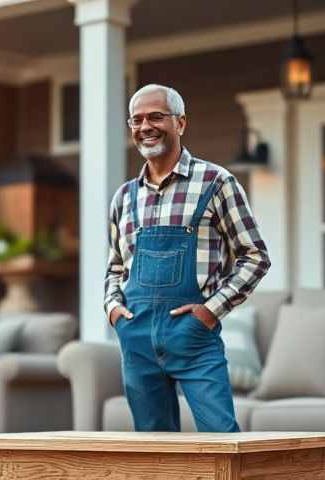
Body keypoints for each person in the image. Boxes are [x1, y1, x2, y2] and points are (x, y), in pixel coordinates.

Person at [105, 84, 271, 432]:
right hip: (136, 339)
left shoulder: (217, 182)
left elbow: (255, 256)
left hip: (193, 338)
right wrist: (113, 310)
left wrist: (210, 311)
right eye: (136, 120)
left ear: (180, 123)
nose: (145, 126)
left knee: (223, 441)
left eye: (156, 116)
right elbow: (115, 266)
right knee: (155, 450)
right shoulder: (124, 197)